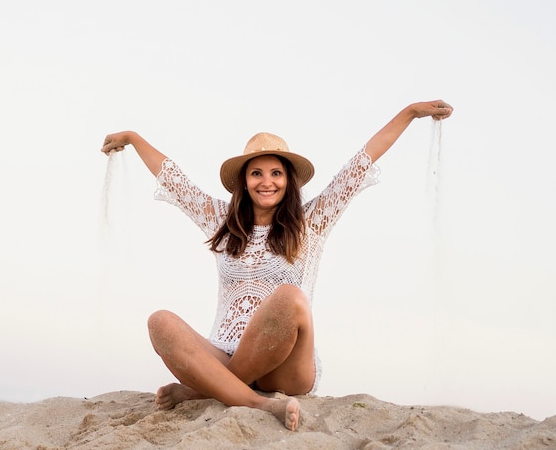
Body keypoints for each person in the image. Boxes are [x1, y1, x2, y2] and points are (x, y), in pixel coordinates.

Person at [101, 100, 453, 431]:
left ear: (289, 181)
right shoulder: (221, 223)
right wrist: (133, 138)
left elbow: (359, 165)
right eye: (256, 173)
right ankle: (256, 402)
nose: (266, 181)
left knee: (290, 297)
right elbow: (175, 181)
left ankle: (205, 390)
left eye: (275, 173)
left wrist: (409, 113)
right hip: (223, 352)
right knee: (160, 322)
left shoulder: (311, 220)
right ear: (244, 181)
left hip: (284, 369)